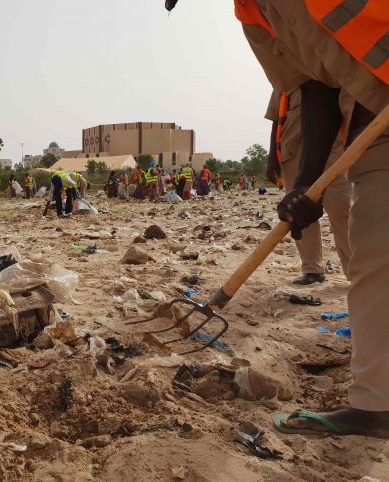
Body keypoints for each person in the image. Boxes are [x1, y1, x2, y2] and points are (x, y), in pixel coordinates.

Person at [166, 0, 389, 438]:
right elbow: (315, 88)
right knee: (373, 264)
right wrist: (305, 185)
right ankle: (377, 406)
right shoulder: (253, 15)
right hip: (373, 129)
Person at [266, 88, 351, 286]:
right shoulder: (283, 80)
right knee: (300, 212)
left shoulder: (325, 68)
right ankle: (312, 269)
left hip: (332, 150)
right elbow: (275, 120)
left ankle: (355, 271)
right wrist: (272, 158)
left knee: (342, 209)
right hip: (293, 151)